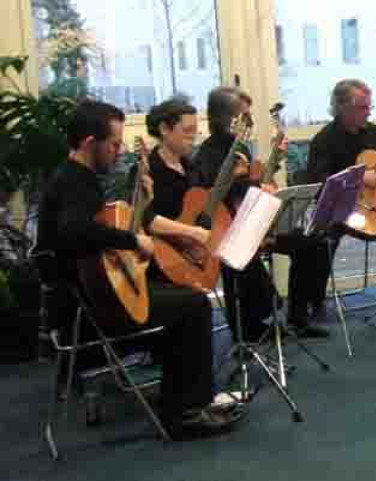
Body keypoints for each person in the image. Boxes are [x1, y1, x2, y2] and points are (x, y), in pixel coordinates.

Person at [37, 100, 241, 439]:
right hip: (87, 311)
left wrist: (142, 208)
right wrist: (135, 243)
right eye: (114, 144)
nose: (118, 152)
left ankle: (183, 397)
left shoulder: (73, 177)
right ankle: (185, 413)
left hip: (87, 297)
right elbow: (76, 231)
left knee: (183, 298)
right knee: (194, 304)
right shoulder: (76, 182)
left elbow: (89, 245)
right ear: (90, 143)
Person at [191, 87, 325, 338]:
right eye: (244, 116)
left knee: (310, 242)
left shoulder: (239, 146)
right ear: (226, 119)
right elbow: (214, 195)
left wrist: (274, 162)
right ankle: (249, 328)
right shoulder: (209, 153)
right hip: (230, 229)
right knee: (241, 262)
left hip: (253, 220)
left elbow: (252, 186)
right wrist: (248, 182)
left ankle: (299, 316)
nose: (249, 121)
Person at [291, 79, 376, 314]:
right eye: (362, 108)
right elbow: (320, 181)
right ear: (343, 107)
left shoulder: (373, 132)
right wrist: (358, 179)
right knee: (322, 236)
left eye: (369, 107)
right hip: (344, 209)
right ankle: (315, 301)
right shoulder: (325, 140)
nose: (368, 113)